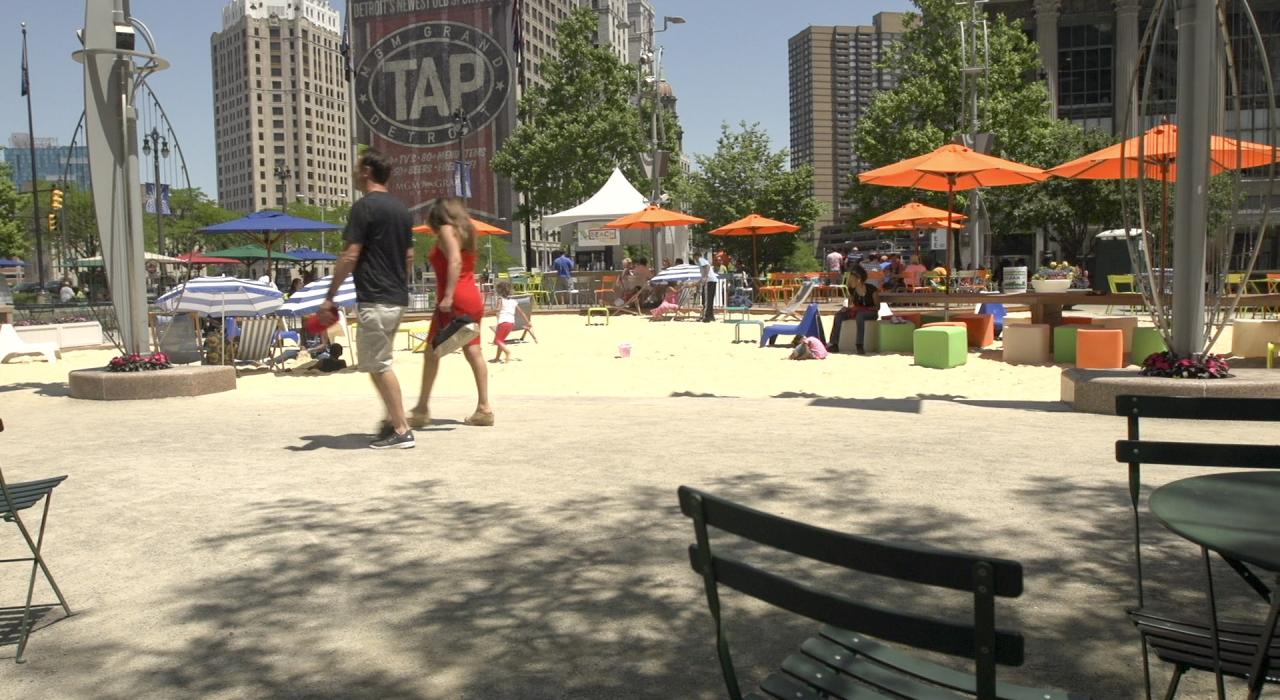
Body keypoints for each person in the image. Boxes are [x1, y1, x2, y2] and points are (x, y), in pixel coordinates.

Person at [322, 149, 415, 449]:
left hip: (375, 296)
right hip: (396, 297)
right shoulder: (402, 210)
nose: (352, 171)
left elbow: (350, 255)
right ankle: (392, 421)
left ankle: (402, 429)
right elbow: (409, 256)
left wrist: (330, 296)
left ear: (366, 171)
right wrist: (398, 282)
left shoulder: (364, 208)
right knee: (376, 362)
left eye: (356, 167)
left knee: (379, 364)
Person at [409, 197, 493, 428]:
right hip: (472, 297)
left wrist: (447, 295)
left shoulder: (446, 230)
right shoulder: (466, 232)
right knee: (474, 350)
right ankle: (484, 408)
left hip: (455, 298)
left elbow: (454, 261)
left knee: (431, 351)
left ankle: (422, 408)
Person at [828, 266, 879, 354]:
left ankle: (859, 345)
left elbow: (877, 307)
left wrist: (863, 309)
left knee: (860, 315)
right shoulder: (852, 290)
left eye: (851, 279)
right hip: (857, 311)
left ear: (858, 279)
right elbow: (850, 304)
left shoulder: (871, 289)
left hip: (870, 313)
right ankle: (834, 344)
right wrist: (845, 308)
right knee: (839, 315)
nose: (849, 281)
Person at [492, 280, 531, 364]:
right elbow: (522, 312)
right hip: (511, 323)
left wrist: (486, 312)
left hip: (503, 322)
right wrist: (528, 322)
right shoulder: (513, 301)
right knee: (500, 341)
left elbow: (498, 309)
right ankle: (497, 358)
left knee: (496, 341)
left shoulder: (500, 299)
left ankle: (507, 352)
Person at [695, 248, 718, 322]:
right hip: (712, 280)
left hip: (709, 281)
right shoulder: (703, 261)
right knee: (710, 299)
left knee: (706, 299)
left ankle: (706, 316)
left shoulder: (701, 260)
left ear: (696, 256)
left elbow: (707, 267)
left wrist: (705, 277)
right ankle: (711, 315)